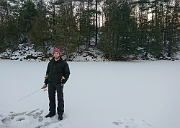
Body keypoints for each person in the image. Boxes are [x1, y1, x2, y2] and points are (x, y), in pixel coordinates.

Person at [41, 48, 70, 121]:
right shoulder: (50, 63)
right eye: (54, 53)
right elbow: (47, 73)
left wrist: (63, 81)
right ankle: (52, 112)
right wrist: (45, 83)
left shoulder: (63, 63)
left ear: (59, 54)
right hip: (51, 83)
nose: (56, 54)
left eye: (57, 53)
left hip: (58, 83)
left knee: (60, 99)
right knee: (51, 98)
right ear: (53, 54)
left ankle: (60, 113)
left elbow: (67, 73)